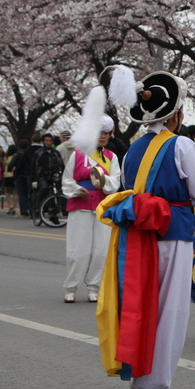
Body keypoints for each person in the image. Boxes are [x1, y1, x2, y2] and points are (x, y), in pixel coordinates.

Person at [96, 68, 195, 389]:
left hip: (139, 234)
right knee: (170, 309)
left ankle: (141, 377)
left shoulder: (132, 149)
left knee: (142, 303)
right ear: (175, 113)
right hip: (173, 232)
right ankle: (154, 385)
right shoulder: (182, 144)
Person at [62, 116, 122, 303]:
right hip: (80, 205)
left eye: (106, 133)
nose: (103, 136)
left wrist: (103, 181)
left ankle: (94, 287)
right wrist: (77, 190)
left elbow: (116, 182)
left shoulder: (111, 157)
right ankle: (71, 287)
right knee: (78, 250)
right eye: (99, 133)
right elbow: (67, 179)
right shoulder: (78, 154)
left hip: (102, 208)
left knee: (101, 250)